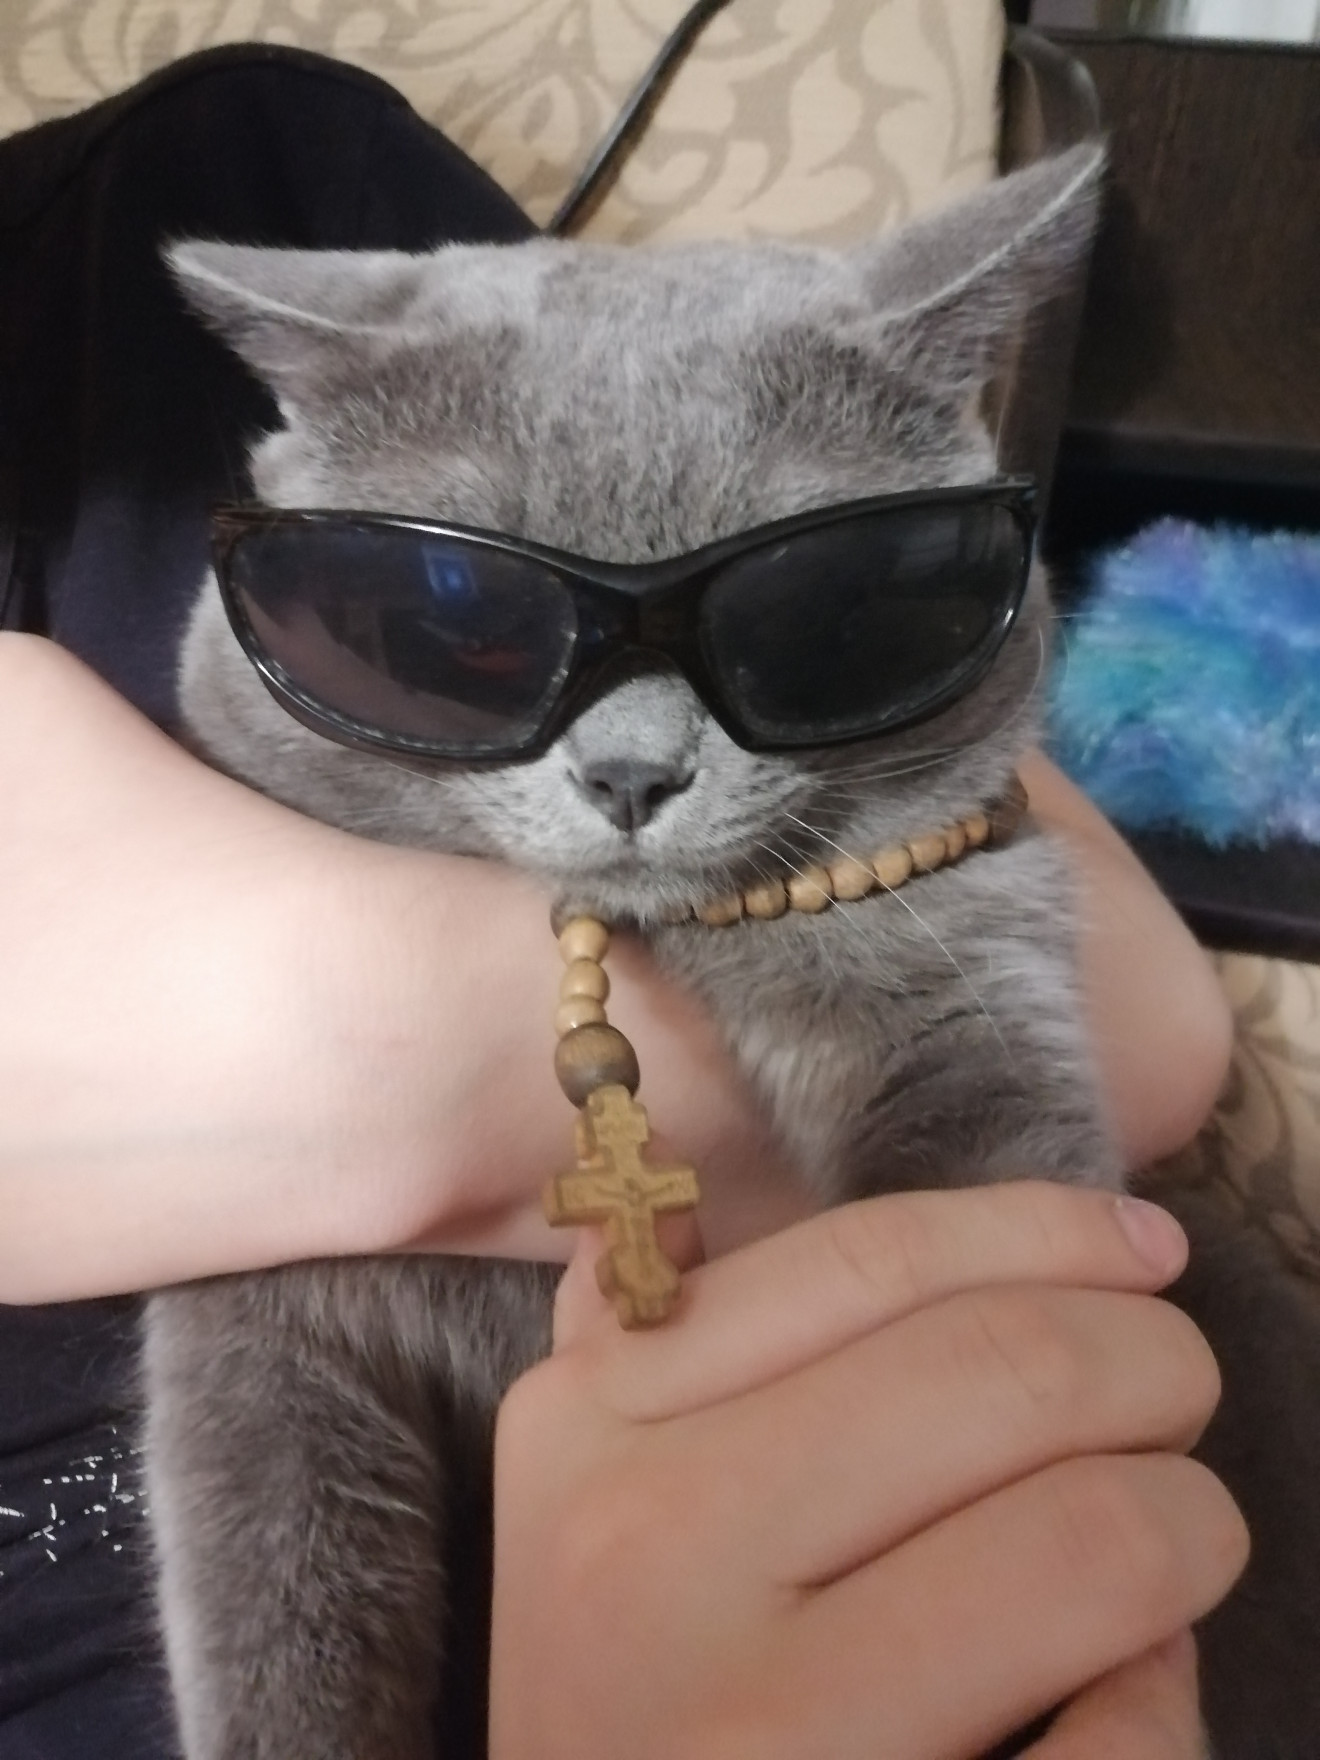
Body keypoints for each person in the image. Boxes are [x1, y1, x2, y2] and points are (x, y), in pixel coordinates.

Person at [0, 44, 1242, 1758]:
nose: (634, 758)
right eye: (469, 618)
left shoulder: (159, 201)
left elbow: (1123, 1016)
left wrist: (354, 1048)